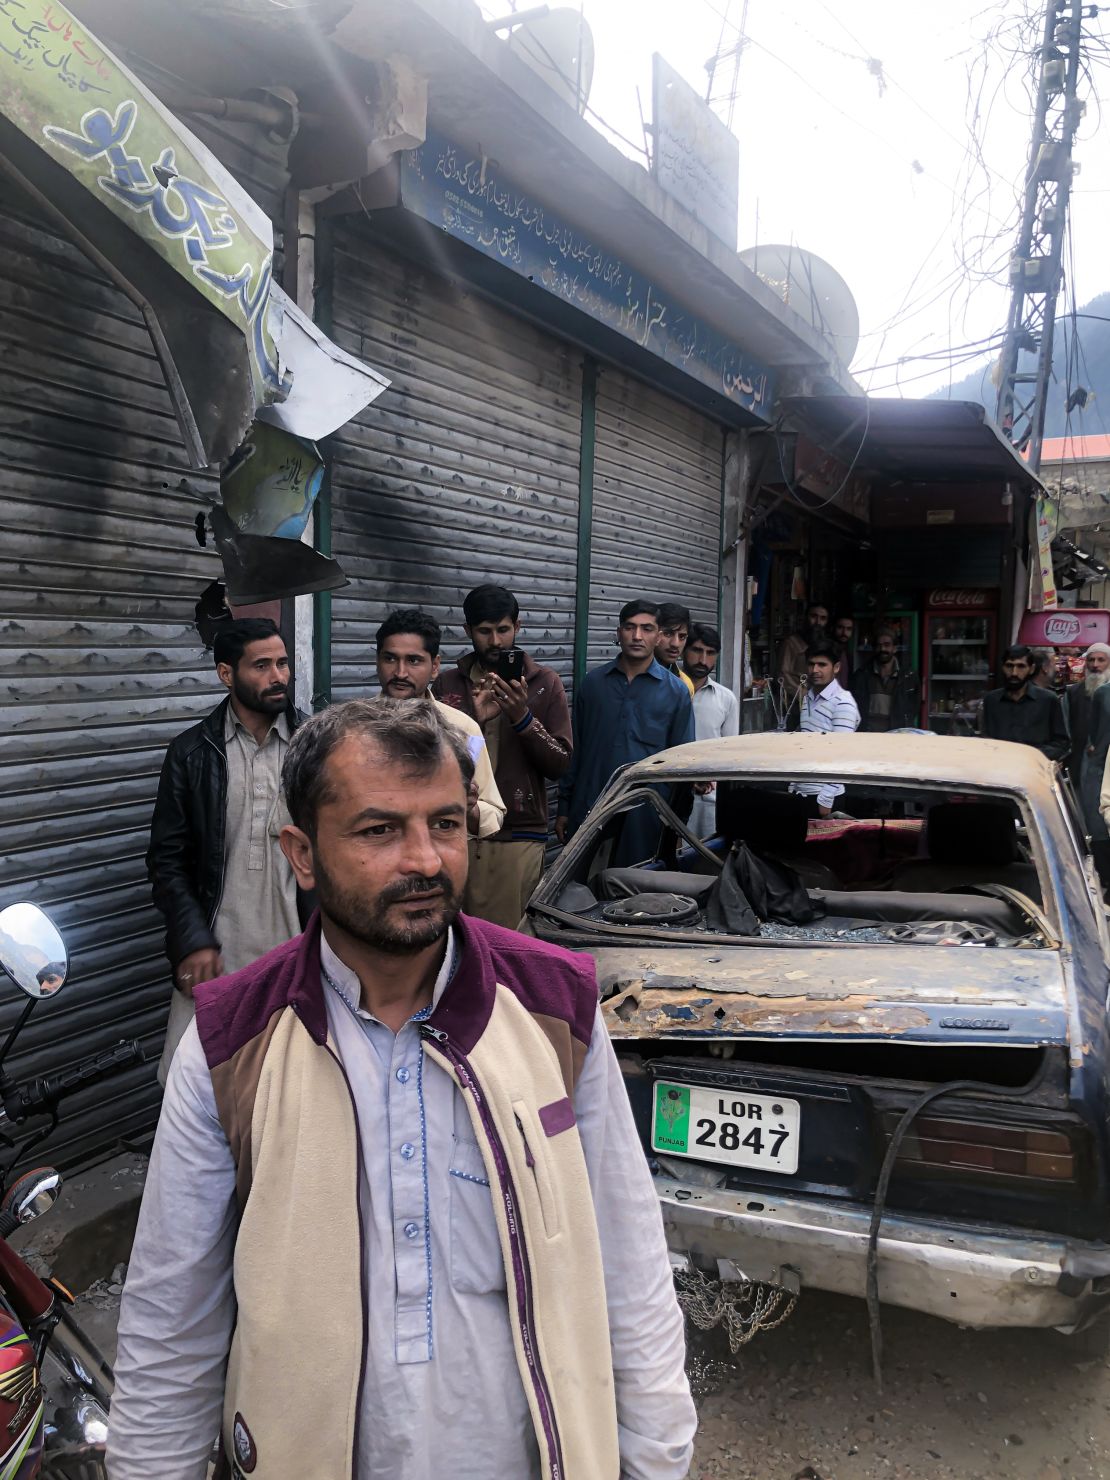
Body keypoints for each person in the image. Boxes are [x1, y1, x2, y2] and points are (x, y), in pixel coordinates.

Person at [107, 698, 697, 1480]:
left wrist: (654, 1460)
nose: (424, 860)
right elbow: (171, 1322)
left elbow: (628, 1259)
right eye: (380, 830)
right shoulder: (229, 1041)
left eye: (445, 825)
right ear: (302, 853)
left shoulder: (555, 1005)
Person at [146, 618, 313, 1086]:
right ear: (226, 673)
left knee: (291, 1083)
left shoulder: (315, 746)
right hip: (217, 954)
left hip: (297, 950)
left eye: (282, 663)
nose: (278, 676)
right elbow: (167, 860)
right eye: (261, 666)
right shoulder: (192, 753)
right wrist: (191, 939)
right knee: (195, 1082)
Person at [434, 584, 572, 928]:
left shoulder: (544, 684)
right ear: (468, 631)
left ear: (518, 627)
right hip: (457, 830)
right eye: (484, 631)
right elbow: (440, 760)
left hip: (518, 835)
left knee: (506, 942)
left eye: (503, 630)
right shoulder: (449, 685)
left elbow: (560, 764)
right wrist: (476, 723)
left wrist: (522, 719)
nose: (495, 642)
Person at [557, 598, 695, 864]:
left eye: (646, 629)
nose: (637, 636)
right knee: (582, 891)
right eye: (630, 628)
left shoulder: (676, 692)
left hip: (646, 814)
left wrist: (677, 823)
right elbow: (578, 750)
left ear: (657, 637)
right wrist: (565, 808)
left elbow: (682, 765)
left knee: (636, 891)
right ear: (619, 633)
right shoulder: (594, 684)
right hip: (591, 806)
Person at [375, 608, 505, 839]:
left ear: (435, 666)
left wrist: (468, 805)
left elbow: (493, 814)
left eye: (413, 660)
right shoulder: (355, 727)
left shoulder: (464, 730)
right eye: (390, 659)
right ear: (378, 661)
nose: (400, 672)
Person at [790, 639, 861, 817]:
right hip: (801, 793)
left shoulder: (843, 702)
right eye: (811, 664)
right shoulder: (807, 698)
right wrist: (793, 784)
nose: (815, 670)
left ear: (836, 668)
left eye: (822, 665)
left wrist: (826, 798)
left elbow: (843, 754)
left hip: (824, 797)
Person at [683, 622, 740, 837]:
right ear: (684, 650)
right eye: (697, 650)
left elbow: (729, 756)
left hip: (708, 799)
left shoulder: (726, 699)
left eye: (710, 653)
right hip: (667, 794)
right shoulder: (668, 690)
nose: (703, 660)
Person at [978, 645, 1068, 761]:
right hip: (998, 768)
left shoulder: (1048, 700)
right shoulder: (991, 700)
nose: (1014, 673)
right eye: (1009, 666)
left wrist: (1031, 754)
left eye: (1021, 666)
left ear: (1031, 669)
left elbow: (1061, 743)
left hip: (1033, 770)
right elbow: (985, 739)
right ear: (1003, 667)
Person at [850, 625, 921, 732]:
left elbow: (914, 707)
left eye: (887, 645)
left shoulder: (909, 676)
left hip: (896, 735)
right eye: (879, 645)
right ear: (874, 648)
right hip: (867, 735)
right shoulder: (861, 675)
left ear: (895, 648)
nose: (882, 649)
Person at [1065, 642, 1110, 783]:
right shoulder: (1072, 693)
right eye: (1091, 660)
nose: (1095, 665)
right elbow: (1065, 731)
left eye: (1101, 660)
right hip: (1077, 765)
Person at [778, 602, 829, 698]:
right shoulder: (791, 643)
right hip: (796, 701)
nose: (818, 622)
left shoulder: (825, 645)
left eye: (823, 618)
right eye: (814, 616)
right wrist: (805, 695)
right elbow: (783, 675)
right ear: (805, 617)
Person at [654, 602, 696, 695]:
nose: (675, 644)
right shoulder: (631, 674)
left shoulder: (685, 684)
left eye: (682, 636)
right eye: (668, 634)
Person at [832, 614, 854, 688]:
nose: (844, 632)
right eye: (840, 627)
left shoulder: (848, 652)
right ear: (833, 628)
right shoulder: (827, 651)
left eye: (848, 629)